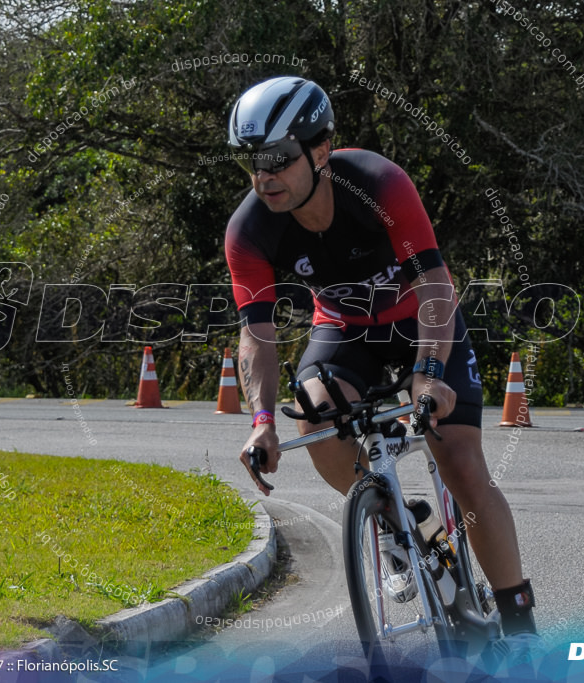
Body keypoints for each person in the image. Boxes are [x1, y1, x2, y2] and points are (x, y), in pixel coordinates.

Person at [223, 76, 543, 663]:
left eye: (278, 161)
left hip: (420, 321)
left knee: (462, 463)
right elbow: (257, 335)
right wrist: (261, 419)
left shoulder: (378, 183)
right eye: (252, 163)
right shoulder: (249, 229)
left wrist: (429, 370)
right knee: (316, 419)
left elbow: (435, 282)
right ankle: (401, 522)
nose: (264, 177)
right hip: (345, 332)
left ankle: (519, 625)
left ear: (320, 151)